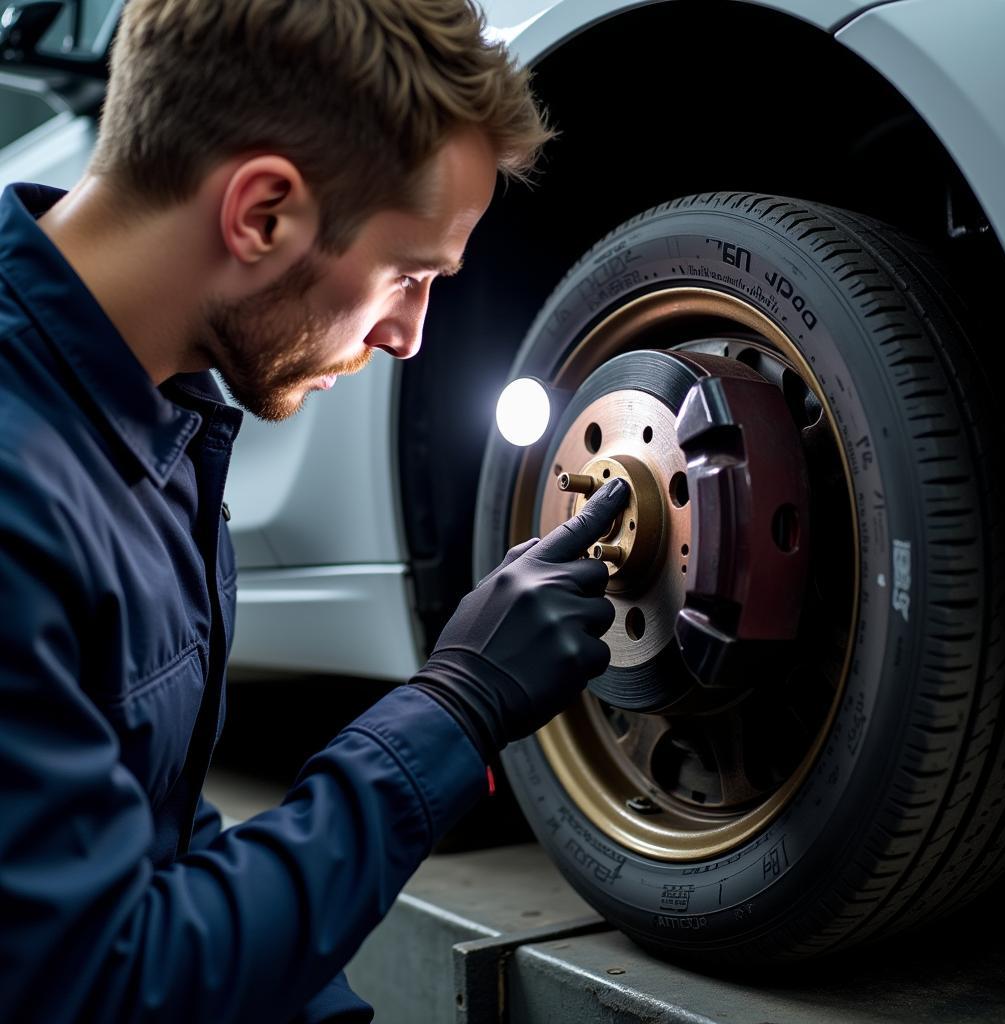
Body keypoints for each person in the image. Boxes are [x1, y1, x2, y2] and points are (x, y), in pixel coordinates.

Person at [0, 1, 629, 1021]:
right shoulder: (18, 499)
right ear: (262, 214)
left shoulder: (153, 414)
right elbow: (108, 982)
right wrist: (451, 711)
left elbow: (156, 846)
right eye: (409, 274)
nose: (410, 336)